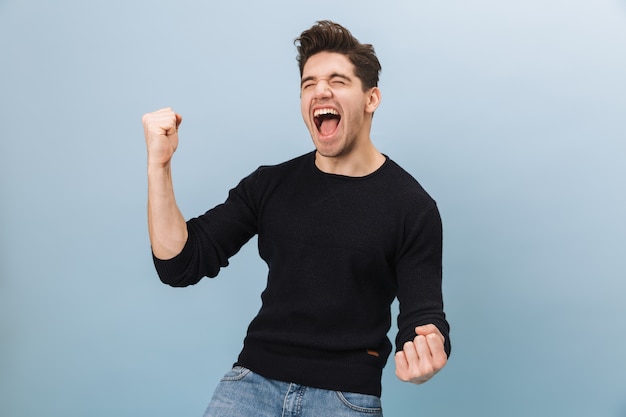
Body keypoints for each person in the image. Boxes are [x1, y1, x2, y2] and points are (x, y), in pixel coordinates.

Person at [142, 20, 450, 417]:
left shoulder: (413, 207)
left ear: (371, 98)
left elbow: (422, 317)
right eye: (309, 84)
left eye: (337, 81)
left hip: (346, 398)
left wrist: (425, 348)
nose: (320, 91)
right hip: (250, 386)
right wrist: (159, 166)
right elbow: (179, 264)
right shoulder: (270, 185)